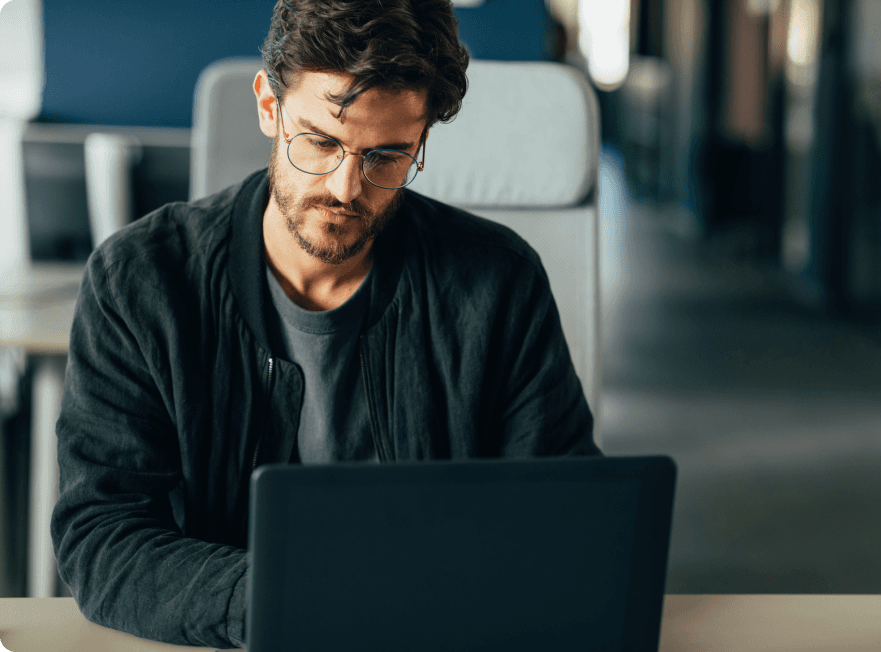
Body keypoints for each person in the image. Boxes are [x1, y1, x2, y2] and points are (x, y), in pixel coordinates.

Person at [51, 0, 598, 648]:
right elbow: (104, 538)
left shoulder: (499, 283)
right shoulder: (140, 280)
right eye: (320, 142)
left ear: (421, 143)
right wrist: (302, 601)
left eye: (386, 156)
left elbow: (563, 521)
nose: (346, 189)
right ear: (269, 105)